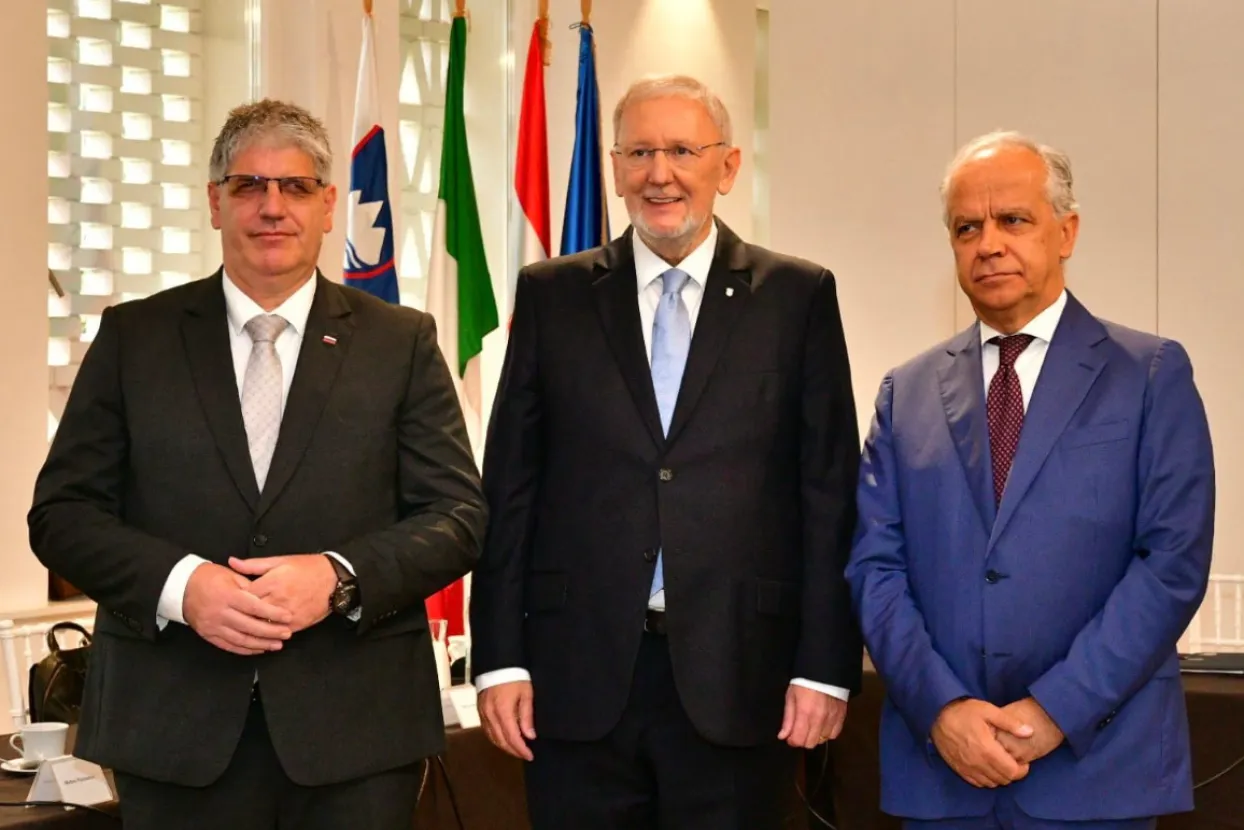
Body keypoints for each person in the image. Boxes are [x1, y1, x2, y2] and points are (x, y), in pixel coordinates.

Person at [27, 99, 486, 830]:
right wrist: (183, 587)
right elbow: (61, 515)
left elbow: (457, 517)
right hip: (173, 732)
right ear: (216, 202)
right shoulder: (134, 337)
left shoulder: (399, 342)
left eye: (295, 187)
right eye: (248, 186)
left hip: (357, 736)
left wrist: (338, 577)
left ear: (328, 205)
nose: (273, 207)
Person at [469, 74, 862, 830]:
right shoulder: (553, 295)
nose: (660, 173)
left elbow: (827, 493)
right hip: (575, 679)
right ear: (615, 168)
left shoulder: (798, 296)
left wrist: (825, 666)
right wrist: (500, 658)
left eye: (683, 150)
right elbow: (510, 488)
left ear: (728, 165)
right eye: (640, 152)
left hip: (744, 678)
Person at [846, 131, 1215, 830]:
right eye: (967, 228)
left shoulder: (1150, 375)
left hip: (1098, 772)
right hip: (943, 773)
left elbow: (1171, 564)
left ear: (1066, 232)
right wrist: (943, 710)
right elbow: (874, 567)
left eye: (1013, 220)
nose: (988, 244)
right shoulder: (906, 391)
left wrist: (1054, 711)